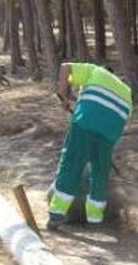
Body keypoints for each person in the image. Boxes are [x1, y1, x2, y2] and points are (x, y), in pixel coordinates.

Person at [48, 63, 132, 230]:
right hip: (111, 130)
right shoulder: (126, 91)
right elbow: (119, 115)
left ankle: (56, 215)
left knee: (72, 164)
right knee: (100, 173)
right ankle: (95, 222)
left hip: (86, 122)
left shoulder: (94, 71)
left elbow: (65, 67)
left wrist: (63, 95)